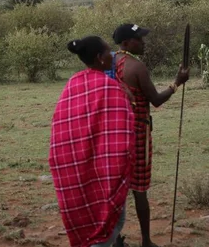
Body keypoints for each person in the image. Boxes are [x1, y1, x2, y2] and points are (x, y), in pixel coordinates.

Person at [49, 36, 135, 247]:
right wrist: (128, 98)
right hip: (104, 167)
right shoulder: (111, 88)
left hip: (76, 163)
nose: (112, 55)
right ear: (100, 58)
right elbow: (122, 130)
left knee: (88, 215)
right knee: (112, 220)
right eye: (108, 52)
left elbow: (64, 124)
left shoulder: (73, 83)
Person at [112, 24, 190, 247]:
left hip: (115, 132)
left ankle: (115, 239)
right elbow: (155, 100)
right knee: (139, 188)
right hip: (137, 134)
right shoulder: (136, 67)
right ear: (127, 43)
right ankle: (146, 241)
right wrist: (177, 83)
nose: (143, 43)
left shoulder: (110, 62)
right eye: (139, 39)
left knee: (117, 188)